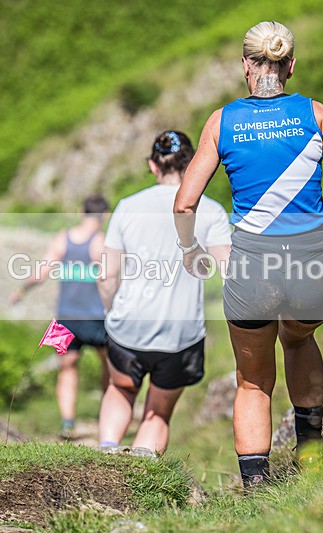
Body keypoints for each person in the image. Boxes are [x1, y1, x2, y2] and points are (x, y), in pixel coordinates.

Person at [173, 21, 323, 487]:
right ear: (290, 66)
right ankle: (311, 456)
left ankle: (256, 486)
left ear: (245, 67)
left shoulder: (222, 122)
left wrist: (190, 248)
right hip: (310, 266)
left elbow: (185, 202)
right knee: (298, 339)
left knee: (253, 380)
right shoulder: (314, 114)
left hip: (253, 268)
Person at [97, 131, 231, 453]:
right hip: (181, 332)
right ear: (193, 166)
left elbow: (107, 274)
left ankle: (105, 450)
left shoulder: (128, 207)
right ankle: (143, 477)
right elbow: (230, 274)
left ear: (152, 166)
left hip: (128, 325)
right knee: (157, 412)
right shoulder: (210, 211)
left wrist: (110, 311)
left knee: (120, 389)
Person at [10, 194, 111, 440]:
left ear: (81, 212)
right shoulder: (100, 242)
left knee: (67, 369)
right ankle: (107, 419)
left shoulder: (62, 239)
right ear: (104, 216)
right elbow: (109, 280)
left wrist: (22, 289)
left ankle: (67, 423)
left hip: (64, 317)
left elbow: (41, 272)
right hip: (96, 318)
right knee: (109, 367)